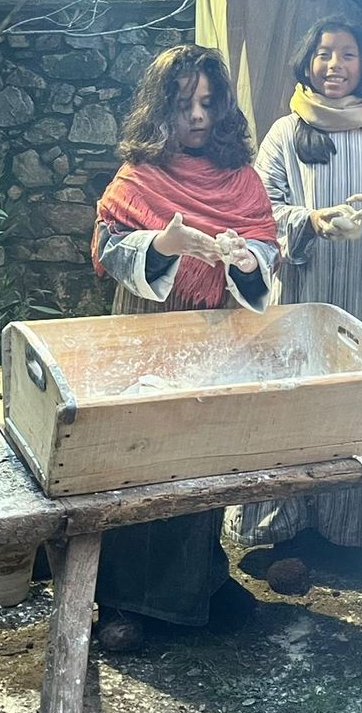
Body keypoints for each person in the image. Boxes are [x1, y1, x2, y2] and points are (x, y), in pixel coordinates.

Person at [91, 44, 279, 648]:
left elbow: (265, 255)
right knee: (142, 454)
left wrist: (249, 260)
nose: (196, 116)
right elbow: (107, 249)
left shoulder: (242, 180)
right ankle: (123, 601)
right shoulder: (138, 178)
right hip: (146, 332)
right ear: (158, 110)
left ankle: (199, 583)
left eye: (207, 103)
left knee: (202, 455)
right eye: (181, 104)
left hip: (214, 335)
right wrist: (162, 247)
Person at [233, 18, 362, 547]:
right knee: (301, 401)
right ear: (307, 62)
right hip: (307, 293)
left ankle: (356, 530)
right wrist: (310, 222)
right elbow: (261, 208)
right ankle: (286, 523)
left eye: (348, 54)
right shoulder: (286, 132)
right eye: (324, 53)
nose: (335, 65)